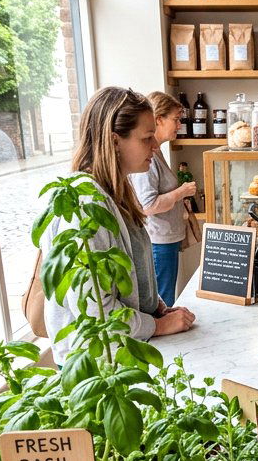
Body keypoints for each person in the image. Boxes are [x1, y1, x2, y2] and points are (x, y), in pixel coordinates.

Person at [42, 86, 195, 363]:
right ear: (114, 141)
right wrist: (157, 326)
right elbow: (97, 311)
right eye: (146, 138)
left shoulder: (116, 191)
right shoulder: (86, 206)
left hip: (126, 350)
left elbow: (130, 272)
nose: (154, 145)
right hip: (98, 365)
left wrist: (156, 306)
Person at [129, 91, 197, 305]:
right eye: (176, 119)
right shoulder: (146, 161)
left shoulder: (157, 153)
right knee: (162, 300)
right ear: (158, 119)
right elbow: (148, 205)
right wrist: (181, 192)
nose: (179, 125)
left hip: (167, 238)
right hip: (158, 240)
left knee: (166, 296)